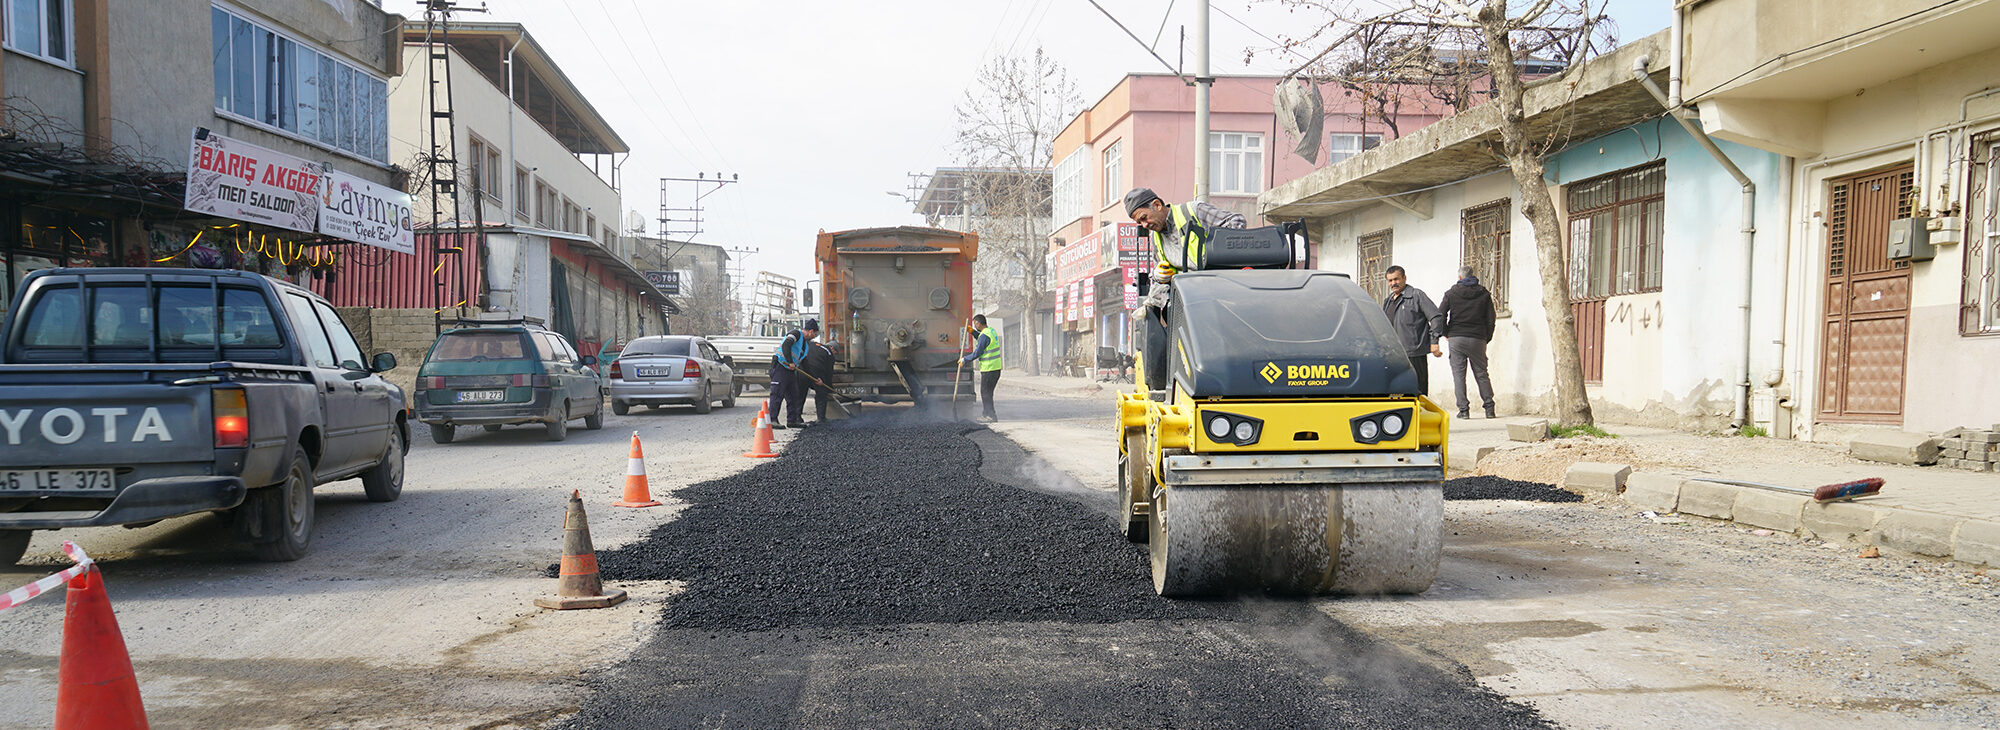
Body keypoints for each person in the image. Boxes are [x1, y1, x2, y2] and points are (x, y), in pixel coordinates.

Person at [1124, 187, 1246, 390]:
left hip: (1219, 292)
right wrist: (1159, 276)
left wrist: (1213, 256)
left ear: (1157, 205)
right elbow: (1163, 269)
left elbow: (1237, 222)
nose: (1145, 225)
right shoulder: (1156, 238)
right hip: (1189, 301)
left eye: (1144, 218)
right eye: (1140, 223)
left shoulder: (1193, 212)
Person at [1440, 265, 1498, 419]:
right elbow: (1491, 318)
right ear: (1473, 276)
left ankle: (1464, 410)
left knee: (1459, 375)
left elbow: (1440, 315)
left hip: (1457, 337)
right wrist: (1486, 337)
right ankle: (1489, 408)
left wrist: (1446, 332)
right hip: (1477, 338)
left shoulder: (1451, 293)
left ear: (1459, 278)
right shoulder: (1484, 293)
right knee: (1481, 373)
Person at [1381, 265, 1444, 396]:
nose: (1393, 283)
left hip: (1414, 354)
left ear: (1404, 278)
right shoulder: (1388, 301)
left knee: (1417, 393)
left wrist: (1434, 341)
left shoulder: (1416, 296)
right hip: (1393, 355)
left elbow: (1436, 317)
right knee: (1396, 393)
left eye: (1396, 279)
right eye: (1390, 280)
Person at [767, 318, 817, 429]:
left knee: (794, 395)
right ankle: (772, 420)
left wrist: (815, 378)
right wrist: (790, 361)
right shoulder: (795, 334)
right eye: (815, 334)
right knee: (777, 394)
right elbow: (786, 345)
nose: (814, 337)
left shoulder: (805, 345)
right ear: (811, 331)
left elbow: (805, 363)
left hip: (790, 371)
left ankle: (792, 420)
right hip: (781, 366)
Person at [961, 314, 1002, 422]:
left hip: (989, 369)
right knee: (988, 393)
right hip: (995, 368)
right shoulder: (990, 331)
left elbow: (978, 352)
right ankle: (990, 415)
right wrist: (972, 332)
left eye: (975, 324)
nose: (974, 326)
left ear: (978, 323)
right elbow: (981, 338)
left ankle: (989, 416)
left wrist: (965, 359)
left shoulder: (984, 335)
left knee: (985, 393)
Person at [803, 336, 836, 423]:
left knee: (800, 394)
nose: (834, 354)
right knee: (821, 394)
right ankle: (821, 418)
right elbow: (829, 372)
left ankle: (796, 419)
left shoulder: (811, 344)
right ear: (832, 348)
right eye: (835, 352)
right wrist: (829, 388)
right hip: (817, 372)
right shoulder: (829, 352)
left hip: (802, 370)